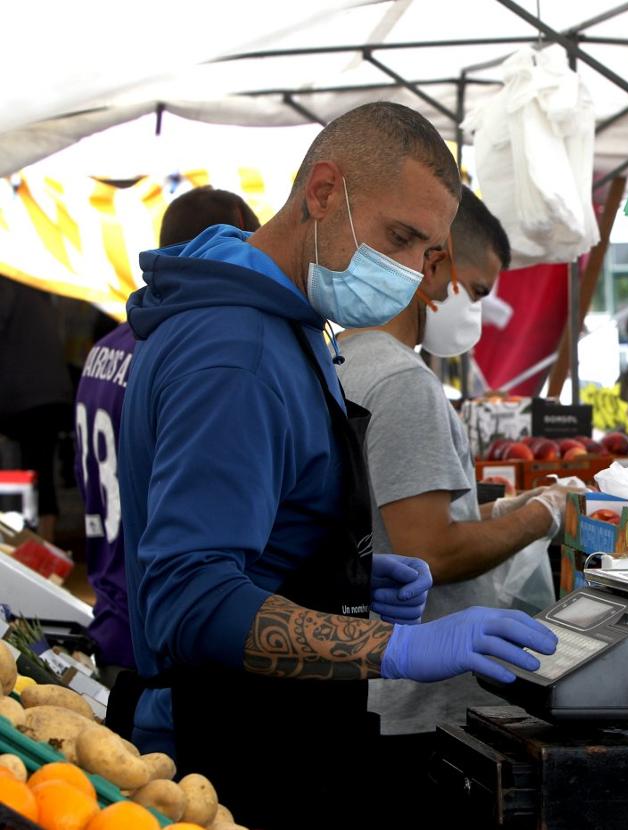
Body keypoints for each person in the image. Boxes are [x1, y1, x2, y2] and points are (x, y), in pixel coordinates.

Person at [118, 103, 556, 828]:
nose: (415, 271)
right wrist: (396, 644)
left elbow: (257, 538)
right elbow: (189, 601)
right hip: (246, 755)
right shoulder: (239, 352)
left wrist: (338, 581)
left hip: (290, 736)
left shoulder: (284, 326)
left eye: (426, 249)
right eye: (401, 237)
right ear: (322, 192)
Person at [336, 189, 574, 742]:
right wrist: (542, 515)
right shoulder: (403, 383)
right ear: (434, 263)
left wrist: (495, 512)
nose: (471, 308)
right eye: (477, 290)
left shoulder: (341, 358)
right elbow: (429, 552)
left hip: (370, 683)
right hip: (414, 705)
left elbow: (389, 525)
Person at [74, 186, 260, 695]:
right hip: (155, 632)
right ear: (226, 243)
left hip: (111, 604)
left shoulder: (107, 348)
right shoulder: (183, 356)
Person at [0, 279, 74, 541]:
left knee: (35, 470)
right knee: (41, 469)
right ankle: (44, 545)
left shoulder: (7, 285)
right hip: (51, 392)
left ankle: (35, 548)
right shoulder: (35, 285)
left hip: (26, 395)